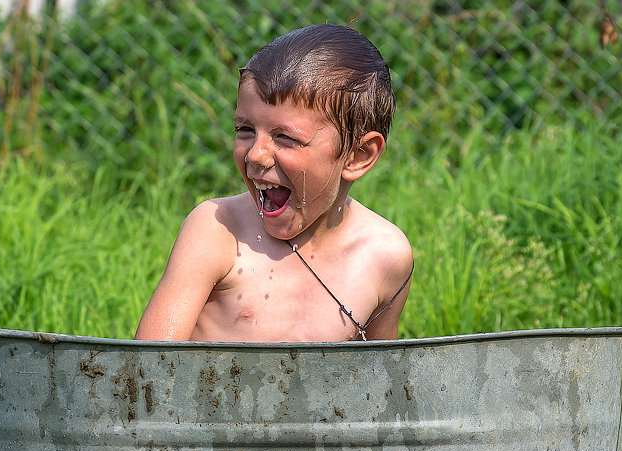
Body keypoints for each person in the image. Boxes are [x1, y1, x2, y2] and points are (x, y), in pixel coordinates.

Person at [135, 24, 414, 343]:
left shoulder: (383, 255)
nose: (256, 154)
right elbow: (150, 370)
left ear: (358, 155)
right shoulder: (219, 232)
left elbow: (381, 381)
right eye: (244, 129)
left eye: (285, 137)